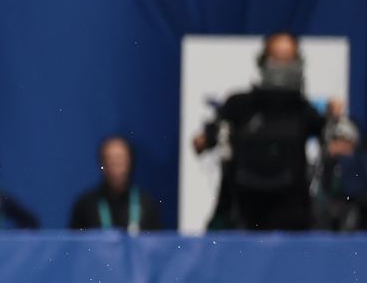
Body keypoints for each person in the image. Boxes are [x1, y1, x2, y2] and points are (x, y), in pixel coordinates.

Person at [193, 31, 345, 231]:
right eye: (277, 59)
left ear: (298, 62)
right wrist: (205, 139)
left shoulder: (302, 110)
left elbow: (335, 142)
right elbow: (203, 141)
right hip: (242, 214)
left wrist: (334, 121)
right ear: (263, 61)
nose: (282, 67)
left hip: (293, 216)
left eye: (288, 60)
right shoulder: (239, 105)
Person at [68, 136, 162, 233]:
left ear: (130, 161)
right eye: (110, 159)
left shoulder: (146, 203)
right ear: (101, 163)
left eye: (120, 159)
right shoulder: (86, 205)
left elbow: (157, 240)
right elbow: (75, 241)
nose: (116, 165)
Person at [313, 117, 367, 230]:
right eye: (336, 141)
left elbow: (357, 195)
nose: (340, 147)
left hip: (353, 213)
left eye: (345, 142)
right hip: (325, 214)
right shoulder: (322, 165)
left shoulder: (358, 165)